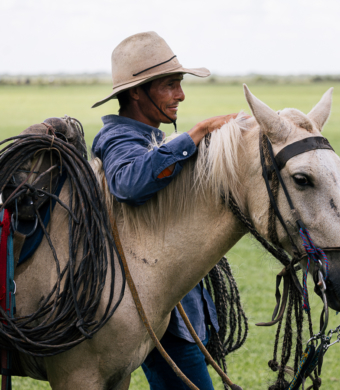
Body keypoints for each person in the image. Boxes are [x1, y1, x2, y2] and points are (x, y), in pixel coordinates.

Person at [91, 31, 236, 390]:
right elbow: (129, 183)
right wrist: (197, 133)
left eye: (180, 84)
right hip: (148, 307)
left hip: (166, 303)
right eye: (171, 85)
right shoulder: (118, 139)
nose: (181, 95)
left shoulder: (153, 139)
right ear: (137, 92)